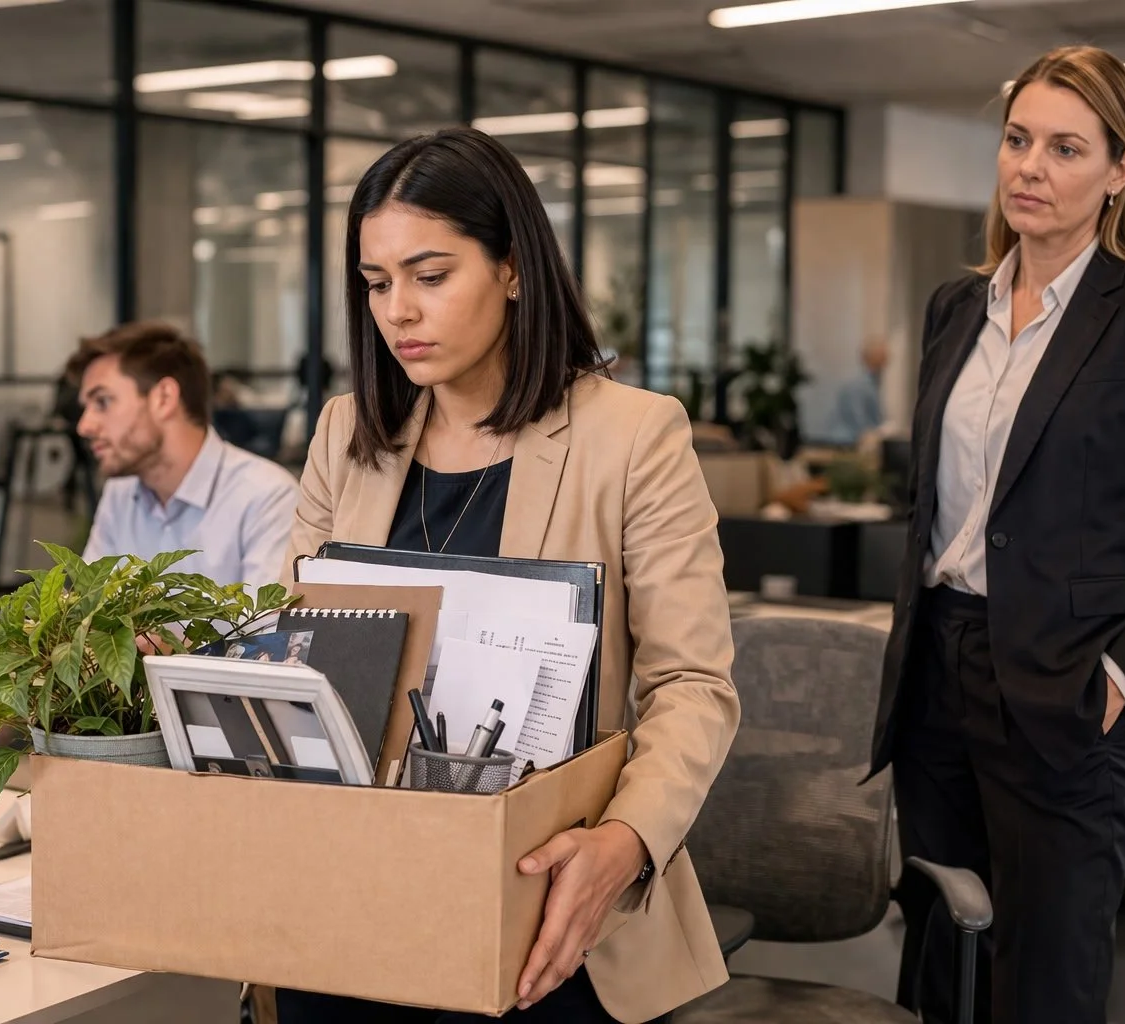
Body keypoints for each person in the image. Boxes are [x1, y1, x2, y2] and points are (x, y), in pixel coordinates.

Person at [279, 127, 740, 1023]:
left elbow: (694, 683)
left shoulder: (633, 436)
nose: (398, 311)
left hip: (542, 900)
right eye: (376, 284)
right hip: (354, 889)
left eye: (431, 275)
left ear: (514, 269)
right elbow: (288, 636)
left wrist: (624, 841)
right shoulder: (348, 434)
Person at [870, 46, 1125, 1024]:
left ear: (1118, 170)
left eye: (1063, 147)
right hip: (936, 680)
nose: (1028, 167)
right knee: (936, 972)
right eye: (1015, 140)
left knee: (1041, 984)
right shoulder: (953, 308)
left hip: (1066, 688)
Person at [72, 322, 297, 590]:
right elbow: (87, 611)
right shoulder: (120, 493)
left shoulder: (266, 497)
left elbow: (267, 627)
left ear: (164, 398)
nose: (84, 426)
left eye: (103, 402)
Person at [827, 337, 888, 446]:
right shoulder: (860, 386)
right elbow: (860, 424)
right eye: (883, 356)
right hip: (848, 446)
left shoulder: (871, 385)